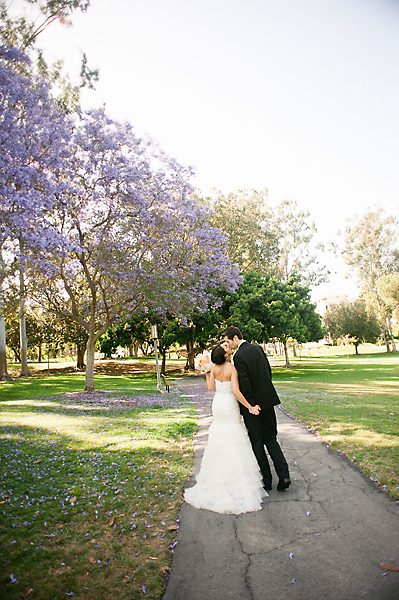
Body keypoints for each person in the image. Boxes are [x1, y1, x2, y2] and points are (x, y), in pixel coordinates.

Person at [184, 342, 268, 514]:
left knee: (220, 435)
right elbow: (236, 392)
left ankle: (218, 478)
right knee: (234, 435)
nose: (228, 349)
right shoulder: (232, 369)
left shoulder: (213, 369)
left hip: (218, 404)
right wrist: (250, 407)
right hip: (229, 404)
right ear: (225, 355)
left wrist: (206, 372)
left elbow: (210, 387)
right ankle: (236, 479)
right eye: (225, 349)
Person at [222, 326, 291, 492]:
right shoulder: (258, 348)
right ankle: (284, 475)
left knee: (257, 443)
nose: (228, 345)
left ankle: (266, 481)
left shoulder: (239, 356)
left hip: (253, 407)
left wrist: (252, 405)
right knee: (271, 439)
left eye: (228, 341)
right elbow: (267, 372)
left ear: (236, 338)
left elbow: (244, 384)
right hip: (267, 402)